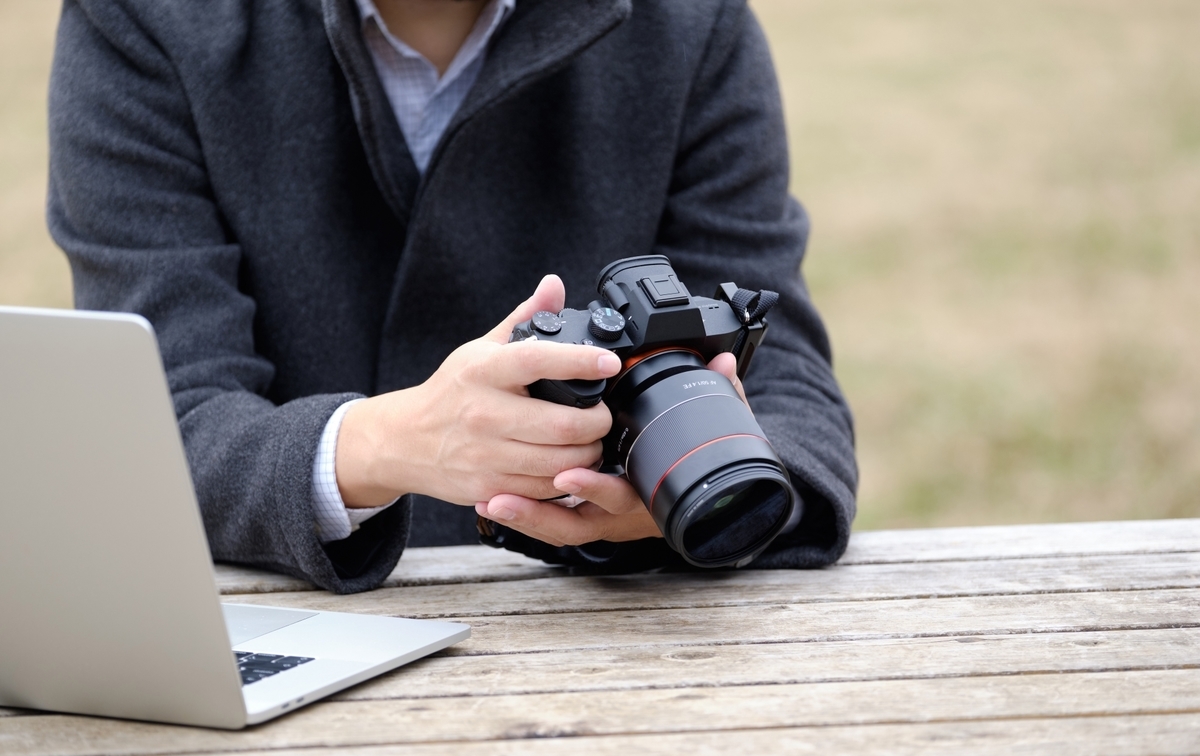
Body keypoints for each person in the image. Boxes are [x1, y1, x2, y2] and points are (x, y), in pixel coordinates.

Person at [48, 0, 858, 593]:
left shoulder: (691, 23)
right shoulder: (144, 19)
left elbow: (792, 398)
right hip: (277, 636)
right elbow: (155, 427)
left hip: (614, 643)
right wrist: (380, 447)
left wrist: (661, 513)